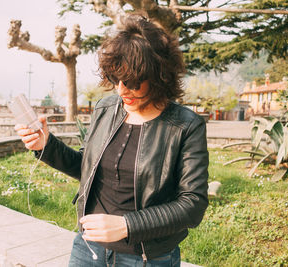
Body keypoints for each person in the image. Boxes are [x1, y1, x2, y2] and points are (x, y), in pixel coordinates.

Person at [16, 14, 209, 267]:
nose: (120, 90)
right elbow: (86, 166)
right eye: (115, 79)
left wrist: (127, 225)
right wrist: (46, 146)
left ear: (159, 75)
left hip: (147, 257)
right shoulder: (106, 108)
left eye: (131, 81)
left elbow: (193, 204)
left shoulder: (186, 126)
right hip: (88, 248)